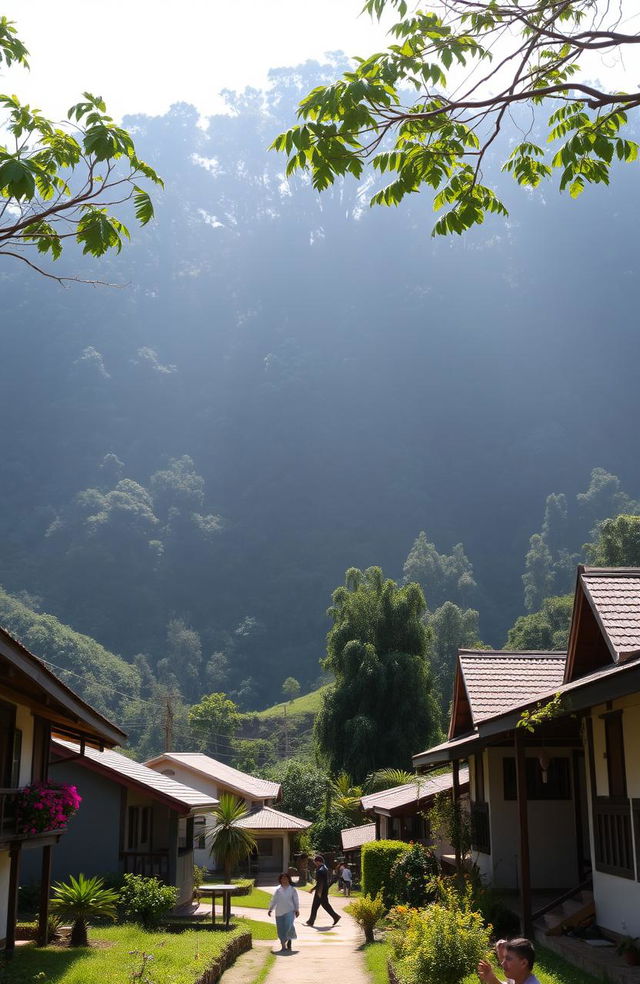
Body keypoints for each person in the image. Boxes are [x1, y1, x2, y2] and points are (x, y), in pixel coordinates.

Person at [304, 854, 341, 927]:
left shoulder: (320, 870)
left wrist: (314, 889)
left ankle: (311, 921)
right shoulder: (325, 868)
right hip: (323, 890)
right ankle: (335, 917)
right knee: (324, 905)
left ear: (318, 862)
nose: (315, 864)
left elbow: (320, 883)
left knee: (316, 906)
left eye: (315, 862)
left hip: (320, 891)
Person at [268, 872, 300, 952]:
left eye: (286, 878)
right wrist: (270, 909)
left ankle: (289, 940)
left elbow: (296, 900)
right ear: (280, 880)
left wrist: (297, 909)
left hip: (290, 911)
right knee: (281, 929)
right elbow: (274, 900)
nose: (284, 880)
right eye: (282, 878)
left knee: (288, 927)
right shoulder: (278, 890)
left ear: (289, 879)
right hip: (279, 912)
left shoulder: (292, 890)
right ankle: (283, 946)